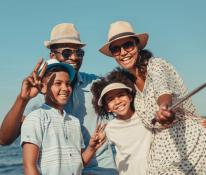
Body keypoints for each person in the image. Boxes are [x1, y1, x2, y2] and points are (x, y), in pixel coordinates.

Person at [0, 23, 118, 175]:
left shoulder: (98, 84)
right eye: (67, 53)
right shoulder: (41, 98)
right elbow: (4, 140)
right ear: (52, 56)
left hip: (102, 171)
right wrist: (23, 99)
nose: (74, 57)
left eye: (79, 52)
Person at [99, 20, 206, 174]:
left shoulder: (156, 66)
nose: (123, 52)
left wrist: (164, 108)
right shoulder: (130, 85)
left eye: (128, 45)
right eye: (116, 49)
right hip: (160, 151)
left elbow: (163, 91)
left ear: (137, 45)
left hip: (187, 142)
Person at [21, 59, 106, 175]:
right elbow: (29, 165)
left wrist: (92, 148)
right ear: (43, 87)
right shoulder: (35, 118)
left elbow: (79, 163)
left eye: (68, 83)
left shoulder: (75, 122)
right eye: (58, 83)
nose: (65, 88)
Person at [91, 68, 152, 175]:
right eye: (110, 99)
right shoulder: (110, 128)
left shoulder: (145, 115)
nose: (117, 101)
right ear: (107, 108)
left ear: (130, 97)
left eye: (120, 95)